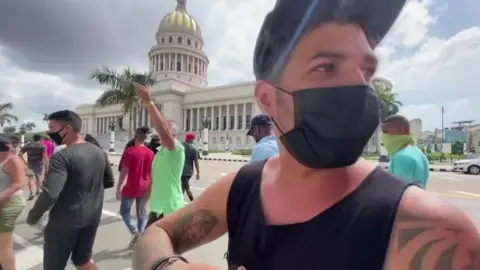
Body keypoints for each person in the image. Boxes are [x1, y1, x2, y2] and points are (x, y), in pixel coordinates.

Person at [132, 1, 480, 269]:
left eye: (367, 70)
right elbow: (155, 235)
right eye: (326, 67)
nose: (359, 87)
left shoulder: (436, 232)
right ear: (267, 98)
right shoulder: (240, 190)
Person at [26, 110, 115, 270]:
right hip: (92, 216)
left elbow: (50, 193)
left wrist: (34, 215)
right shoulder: (99, 151)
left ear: (66, 129)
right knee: (83, 260)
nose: (49, 133)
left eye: (52, 128)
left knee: (54, 266)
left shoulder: (62, 156)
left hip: (64, 221)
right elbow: (108, 182)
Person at [132, 85, 185, 228]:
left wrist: (149, 103)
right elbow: (152, 181)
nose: (159, 130)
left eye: (164, 128)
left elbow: (163, 133)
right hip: (157, 209)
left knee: (160, 248)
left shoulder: (177, 149)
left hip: (171, 208)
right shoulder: (160, 152)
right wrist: (144, 202)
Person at [117, 126, 154, 249]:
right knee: (141, 212)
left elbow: (124, 171)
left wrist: (118, 187)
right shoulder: (150, 153)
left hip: (132, 186)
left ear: (135, 136)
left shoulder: (130, 151)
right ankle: (140, 234)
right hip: (145, 186)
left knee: (124, 211)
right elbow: (152, 172)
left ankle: (134, 231)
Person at [0, 135, 26, 270]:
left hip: (10, 202)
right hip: (3, 200)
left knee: (4, 246)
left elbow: (19, 183)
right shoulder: (3, 160)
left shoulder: (13, 161)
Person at [382, 115, 430, 188]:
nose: (383, 136)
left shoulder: (401, 157)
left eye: (385, 132)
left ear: (400, 130)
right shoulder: (418, 152)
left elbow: (399, 192)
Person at [19, 133, 49, 200]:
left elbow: (20, 154)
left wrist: (25, 162)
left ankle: (32, 192)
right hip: (39, 164)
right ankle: (38, 190)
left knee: (31, 178)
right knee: (39, 177)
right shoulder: (42, 146)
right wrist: (47, 164)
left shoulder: (28, 145)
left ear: (34, 139)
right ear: (40, 139)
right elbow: (45, 156)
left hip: (30, 164)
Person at [181, 132, 200, 202]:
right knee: (182, 187)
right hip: (189, 172)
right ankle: (178, 201)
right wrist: (198, 172)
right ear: (191, 139)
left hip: (182, 171)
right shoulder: (194, 148)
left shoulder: (181, 146)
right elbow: (196, 161)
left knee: (186, 187)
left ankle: (193, 202)